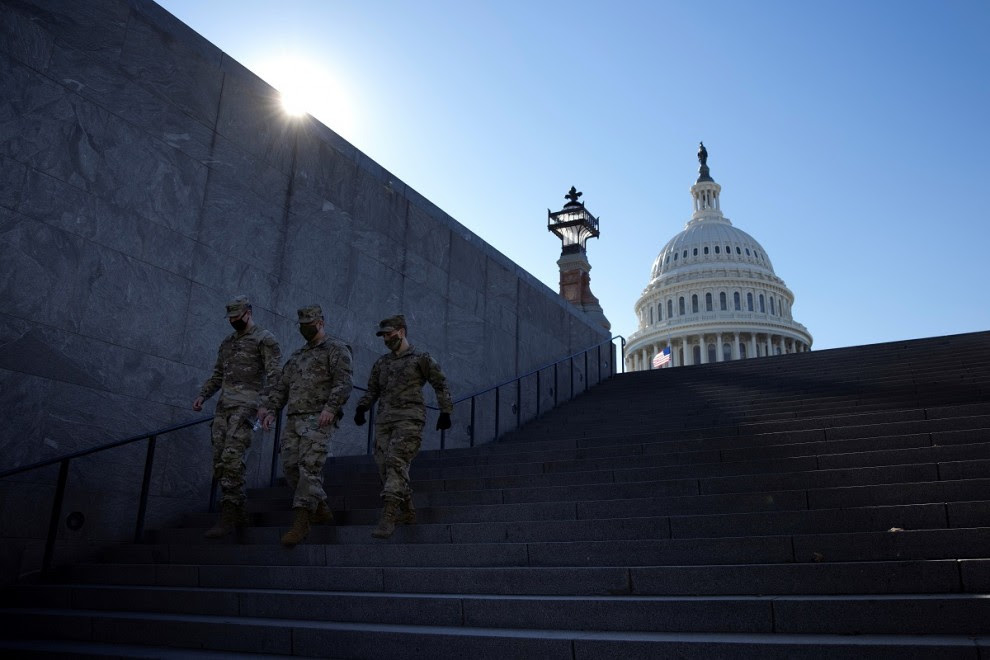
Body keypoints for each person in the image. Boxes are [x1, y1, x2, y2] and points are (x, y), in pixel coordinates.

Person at [257, 305, 353, 548]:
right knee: (290, 467)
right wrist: (270, 409)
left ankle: (301, 522)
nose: (305, 328)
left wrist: (331, 408)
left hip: (319, 419)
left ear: (321, 322)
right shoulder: (298, 356)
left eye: (309, 323)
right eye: (301, 324)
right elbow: (282, 388)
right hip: (294, 420)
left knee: (309, 468)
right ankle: (320, 506)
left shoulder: (336, 349)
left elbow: (344, 382)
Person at [354, 315, 453, 539]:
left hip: (410, 419)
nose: (386, 338)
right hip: (384, 421)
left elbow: (440, 383)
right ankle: (408, 511)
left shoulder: (421, 358)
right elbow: (372, 390)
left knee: (395, 461)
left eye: (390, 333)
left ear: (401, 331)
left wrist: (445, 411)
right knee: (384, 467)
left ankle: (388, 516)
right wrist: (362, 408)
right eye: (383, 335)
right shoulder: (382, 363)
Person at [193, 295, 282, 539]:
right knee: (220, 463)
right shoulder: (228, 343)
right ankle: (240, 512)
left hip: (247, 408)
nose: (233, 321)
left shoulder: (265, 339)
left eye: (237, 317)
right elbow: (218, 374)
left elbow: (275, 377)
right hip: (224, 408)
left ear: (248, 312)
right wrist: (203, 395)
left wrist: (267, 406)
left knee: (232, 459)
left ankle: (229, 515)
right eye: (230, 318)